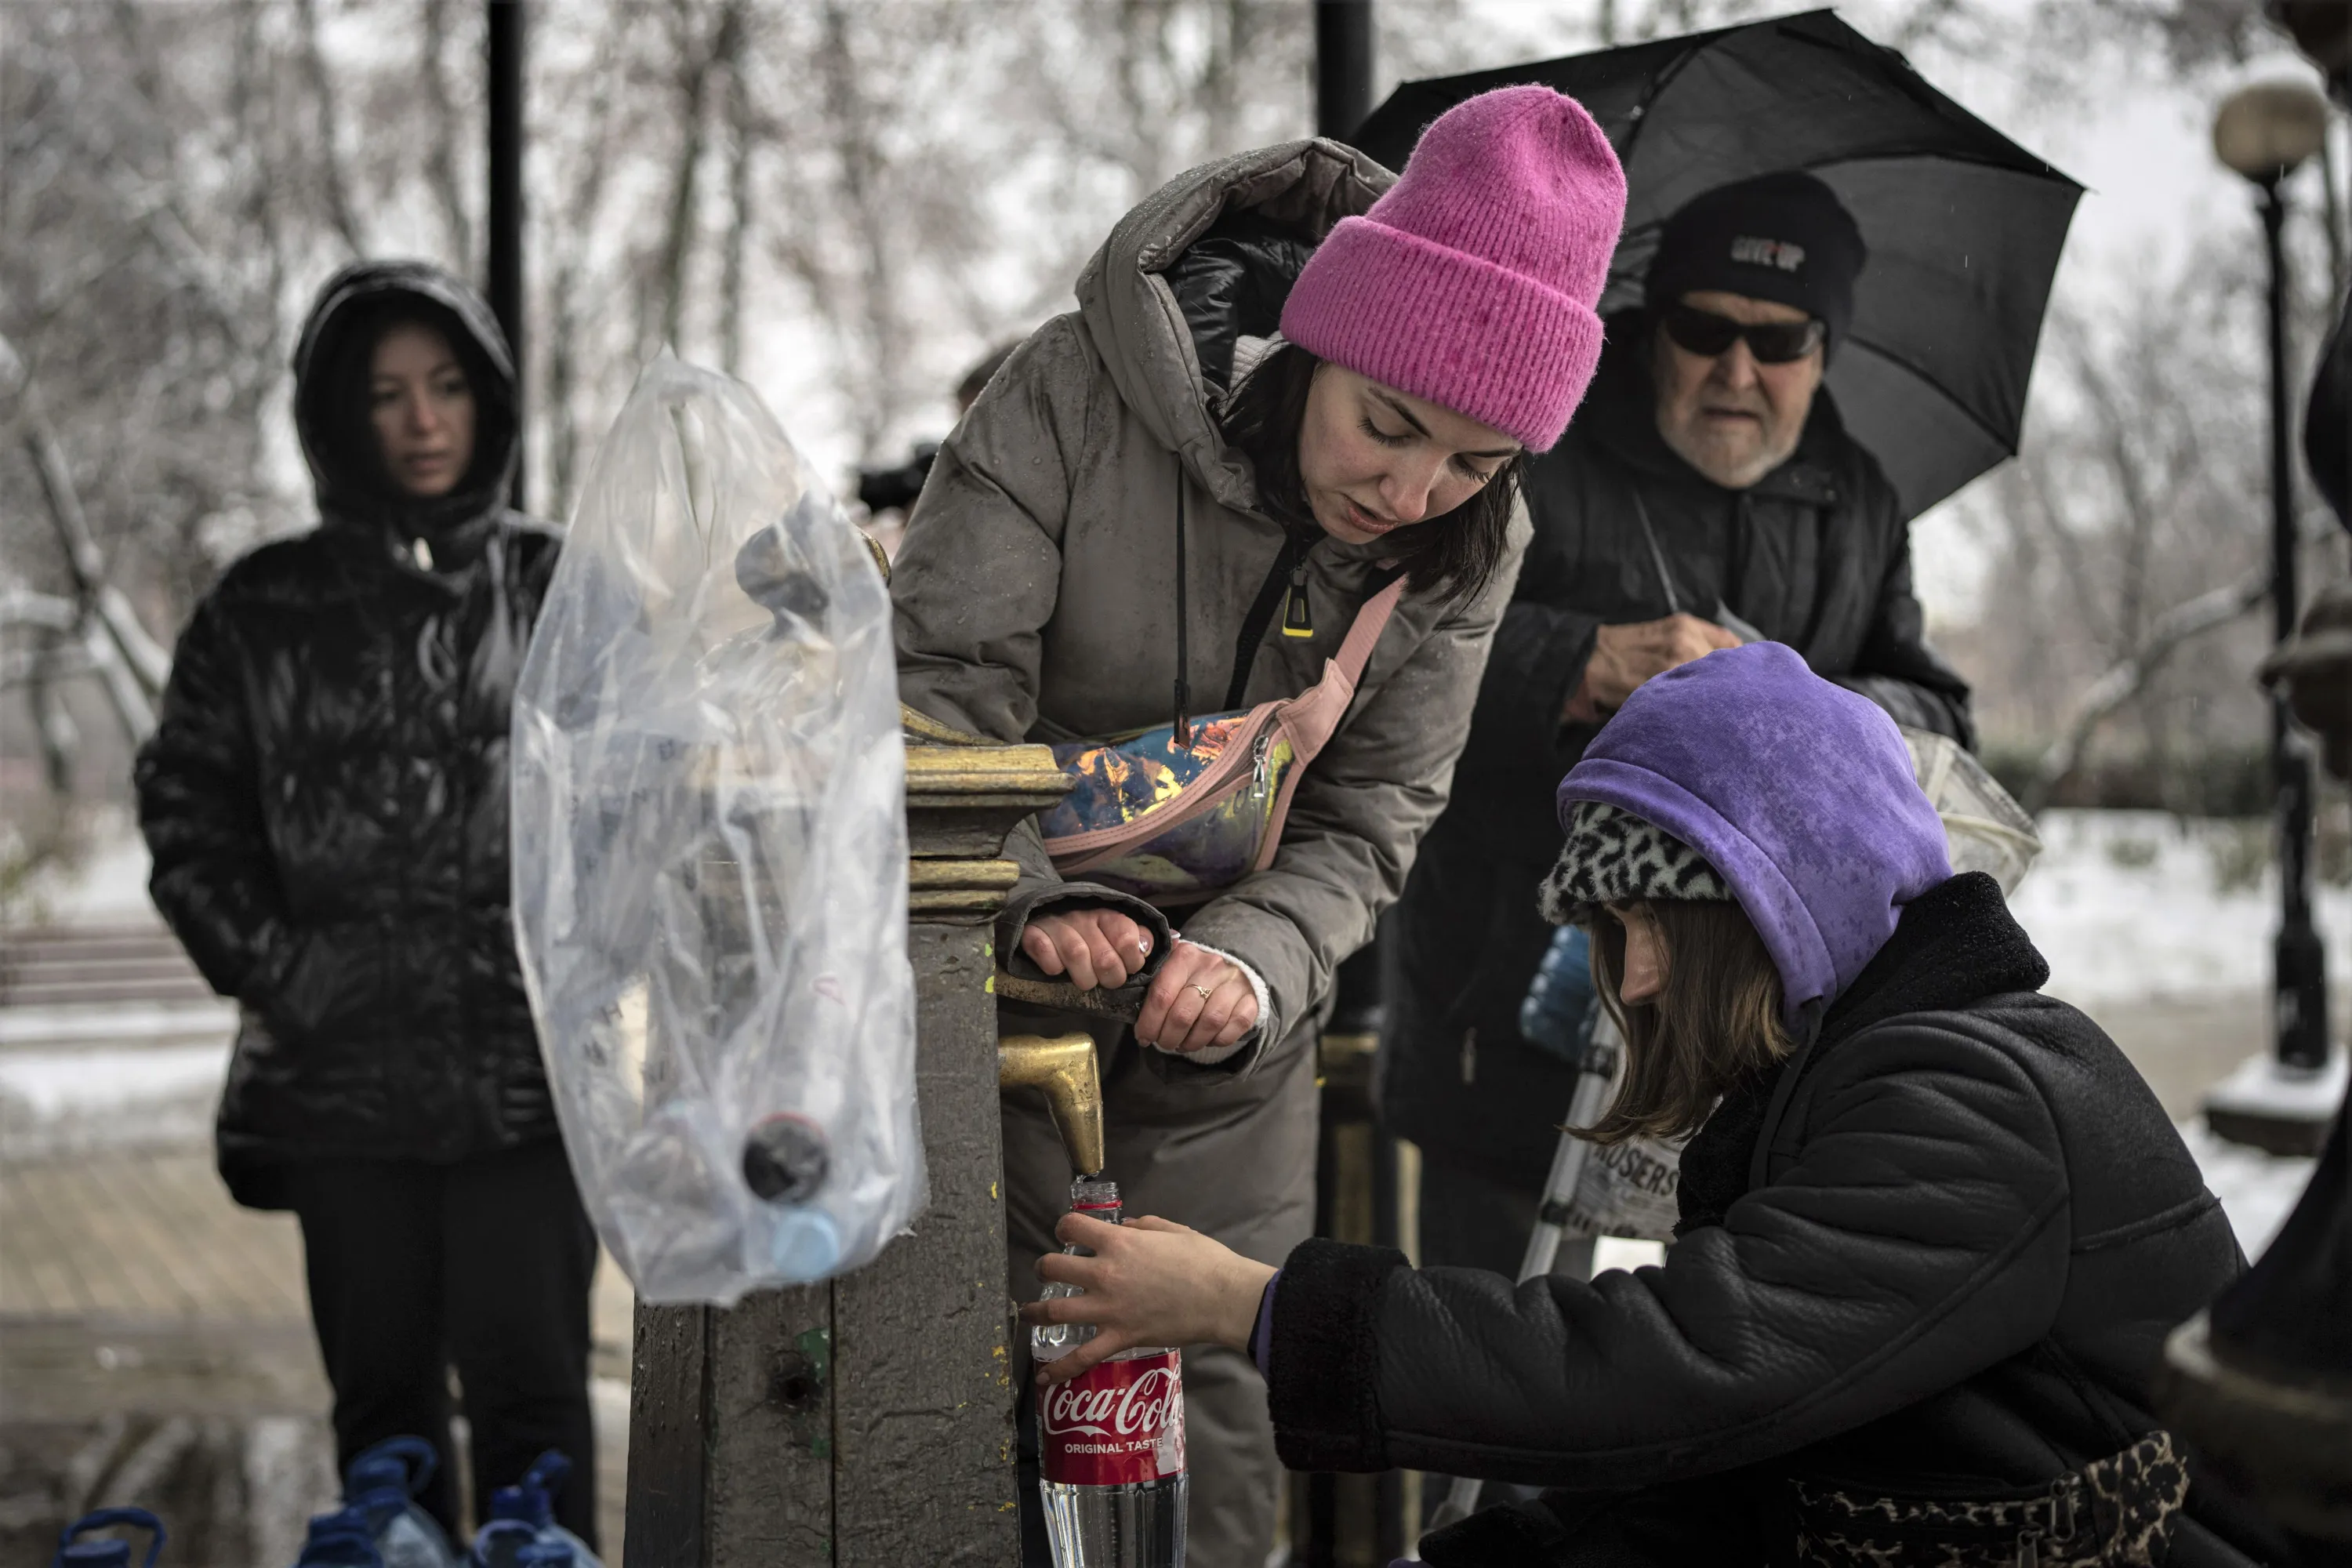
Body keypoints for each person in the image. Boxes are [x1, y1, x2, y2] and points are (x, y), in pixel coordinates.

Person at [1023, 642, 2276, 1568]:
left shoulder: (1972, 1100)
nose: (1631, 981)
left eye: (1653, 925)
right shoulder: (1868, 1078)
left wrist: (1259, 1305)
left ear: (1780, 900)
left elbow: (1667, 1372)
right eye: (1614, 932)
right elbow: (1724, 1468)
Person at [890, 86, 1626, 1566]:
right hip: (982, 995)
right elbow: (933, 702)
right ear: (1316, 340)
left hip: (1229, 1052)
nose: (1409, 492)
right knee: (973, 1383)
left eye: (1475, 462)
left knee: (1212, 1394)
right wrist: (1033, 899)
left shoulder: (1470, 544)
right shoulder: (1069, 397)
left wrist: (1255, 960)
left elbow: (1375, 814)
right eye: (1387, 424)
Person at [1381, 170, 1977, 1277]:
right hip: (1510, 997)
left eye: (1780, 341)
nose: (1737, 370)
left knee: (1736, 1343)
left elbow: (1942, 715)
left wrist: (1807, 709)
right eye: (1705, 330)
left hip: (1765, 1030)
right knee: (1484, 1340)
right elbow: (1393, 645)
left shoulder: (1861, 499)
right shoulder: (1527, 444)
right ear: (1653, 328)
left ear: (1825, 352)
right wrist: (1579, 661)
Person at [134, 263, 595, 1547]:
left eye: (447, 386)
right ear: (340, 414)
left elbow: (650, 807)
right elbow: (186, 817)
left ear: (488, 399)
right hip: (343, 1096)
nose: (423, 419)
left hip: (526, 1091)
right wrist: (290, 974)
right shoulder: (260, 609)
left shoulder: (559, 585)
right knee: (385, 1426)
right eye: (388, 394)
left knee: (538, 1419)